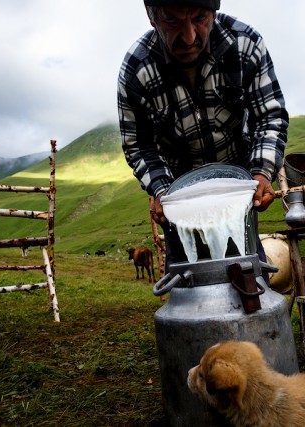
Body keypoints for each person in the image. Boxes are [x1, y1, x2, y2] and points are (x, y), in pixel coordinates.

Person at [118, 0, 288, 269]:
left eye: (200, 18)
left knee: (249, 273)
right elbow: (138, 145)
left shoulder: (245, 44)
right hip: (179, 198)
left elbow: (269, 115)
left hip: (236, 192)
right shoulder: (137, 69)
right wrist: (162, 191)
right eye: (173, 21)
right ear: (151, 16)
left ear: (214, 11)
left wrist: (262, 171)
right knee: (187, 282)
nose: (189, 36)